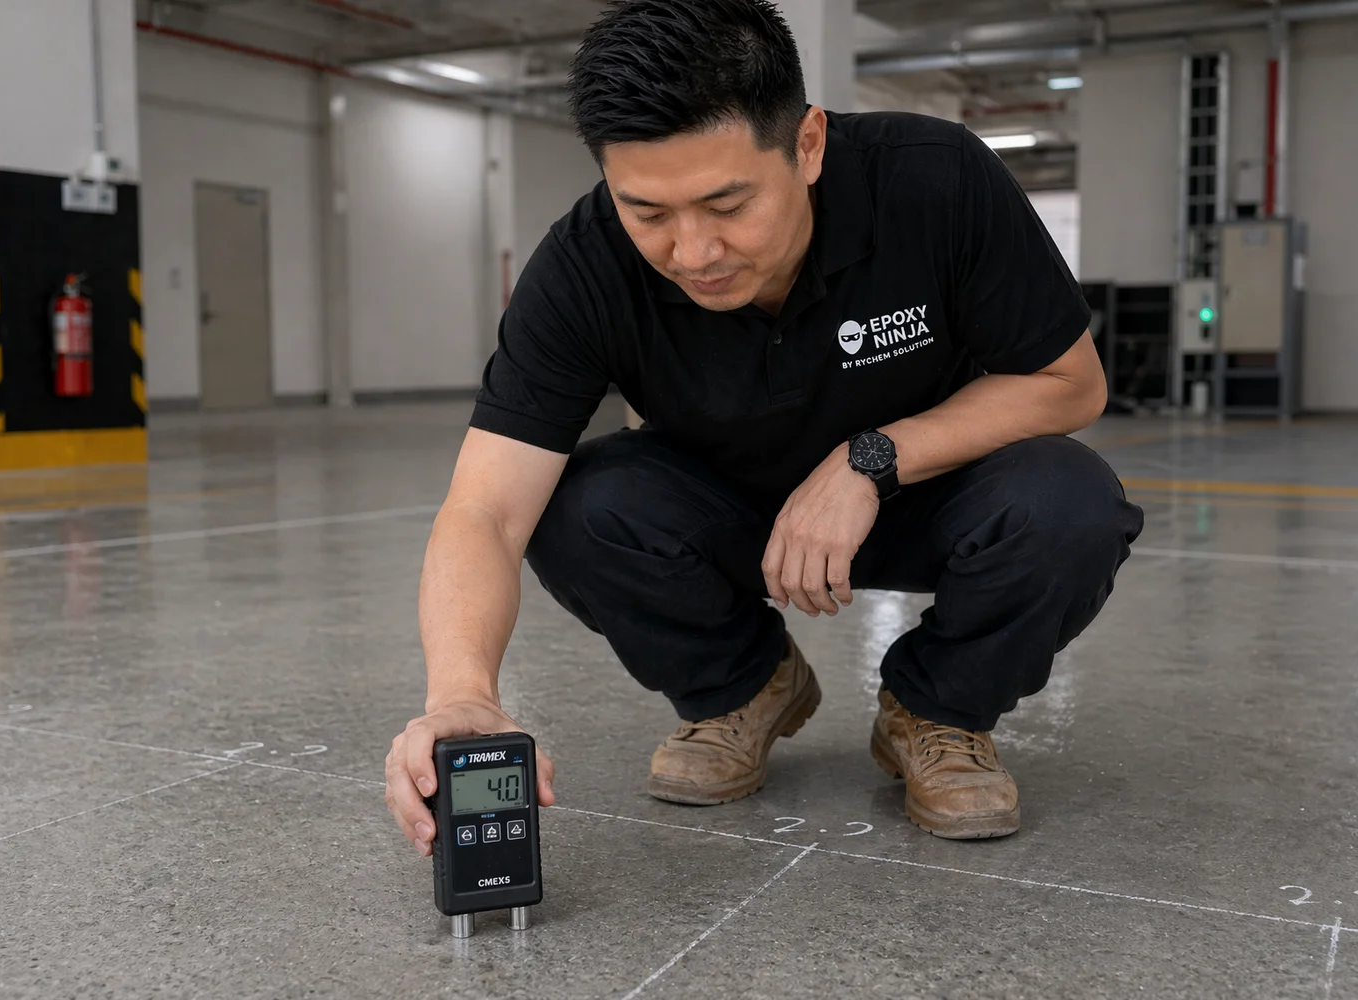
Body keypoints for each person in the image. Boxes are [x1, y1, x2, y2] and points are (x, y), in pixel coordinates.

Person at [385, 0, 1143, 848]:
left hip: (934, 495)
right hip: (731, 513)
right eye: (649, 213)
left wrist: (869, 460)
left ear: (808, 145)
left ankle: (937, 709)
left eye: (728, 204)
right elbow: (485, 511)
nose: (694, 253)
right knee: (573, 503)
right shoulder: (584, 265)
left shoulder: (935, 180)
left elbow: (1070, 384)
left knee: (1071, 504)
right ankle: (743, 687)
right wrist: (459, 696)